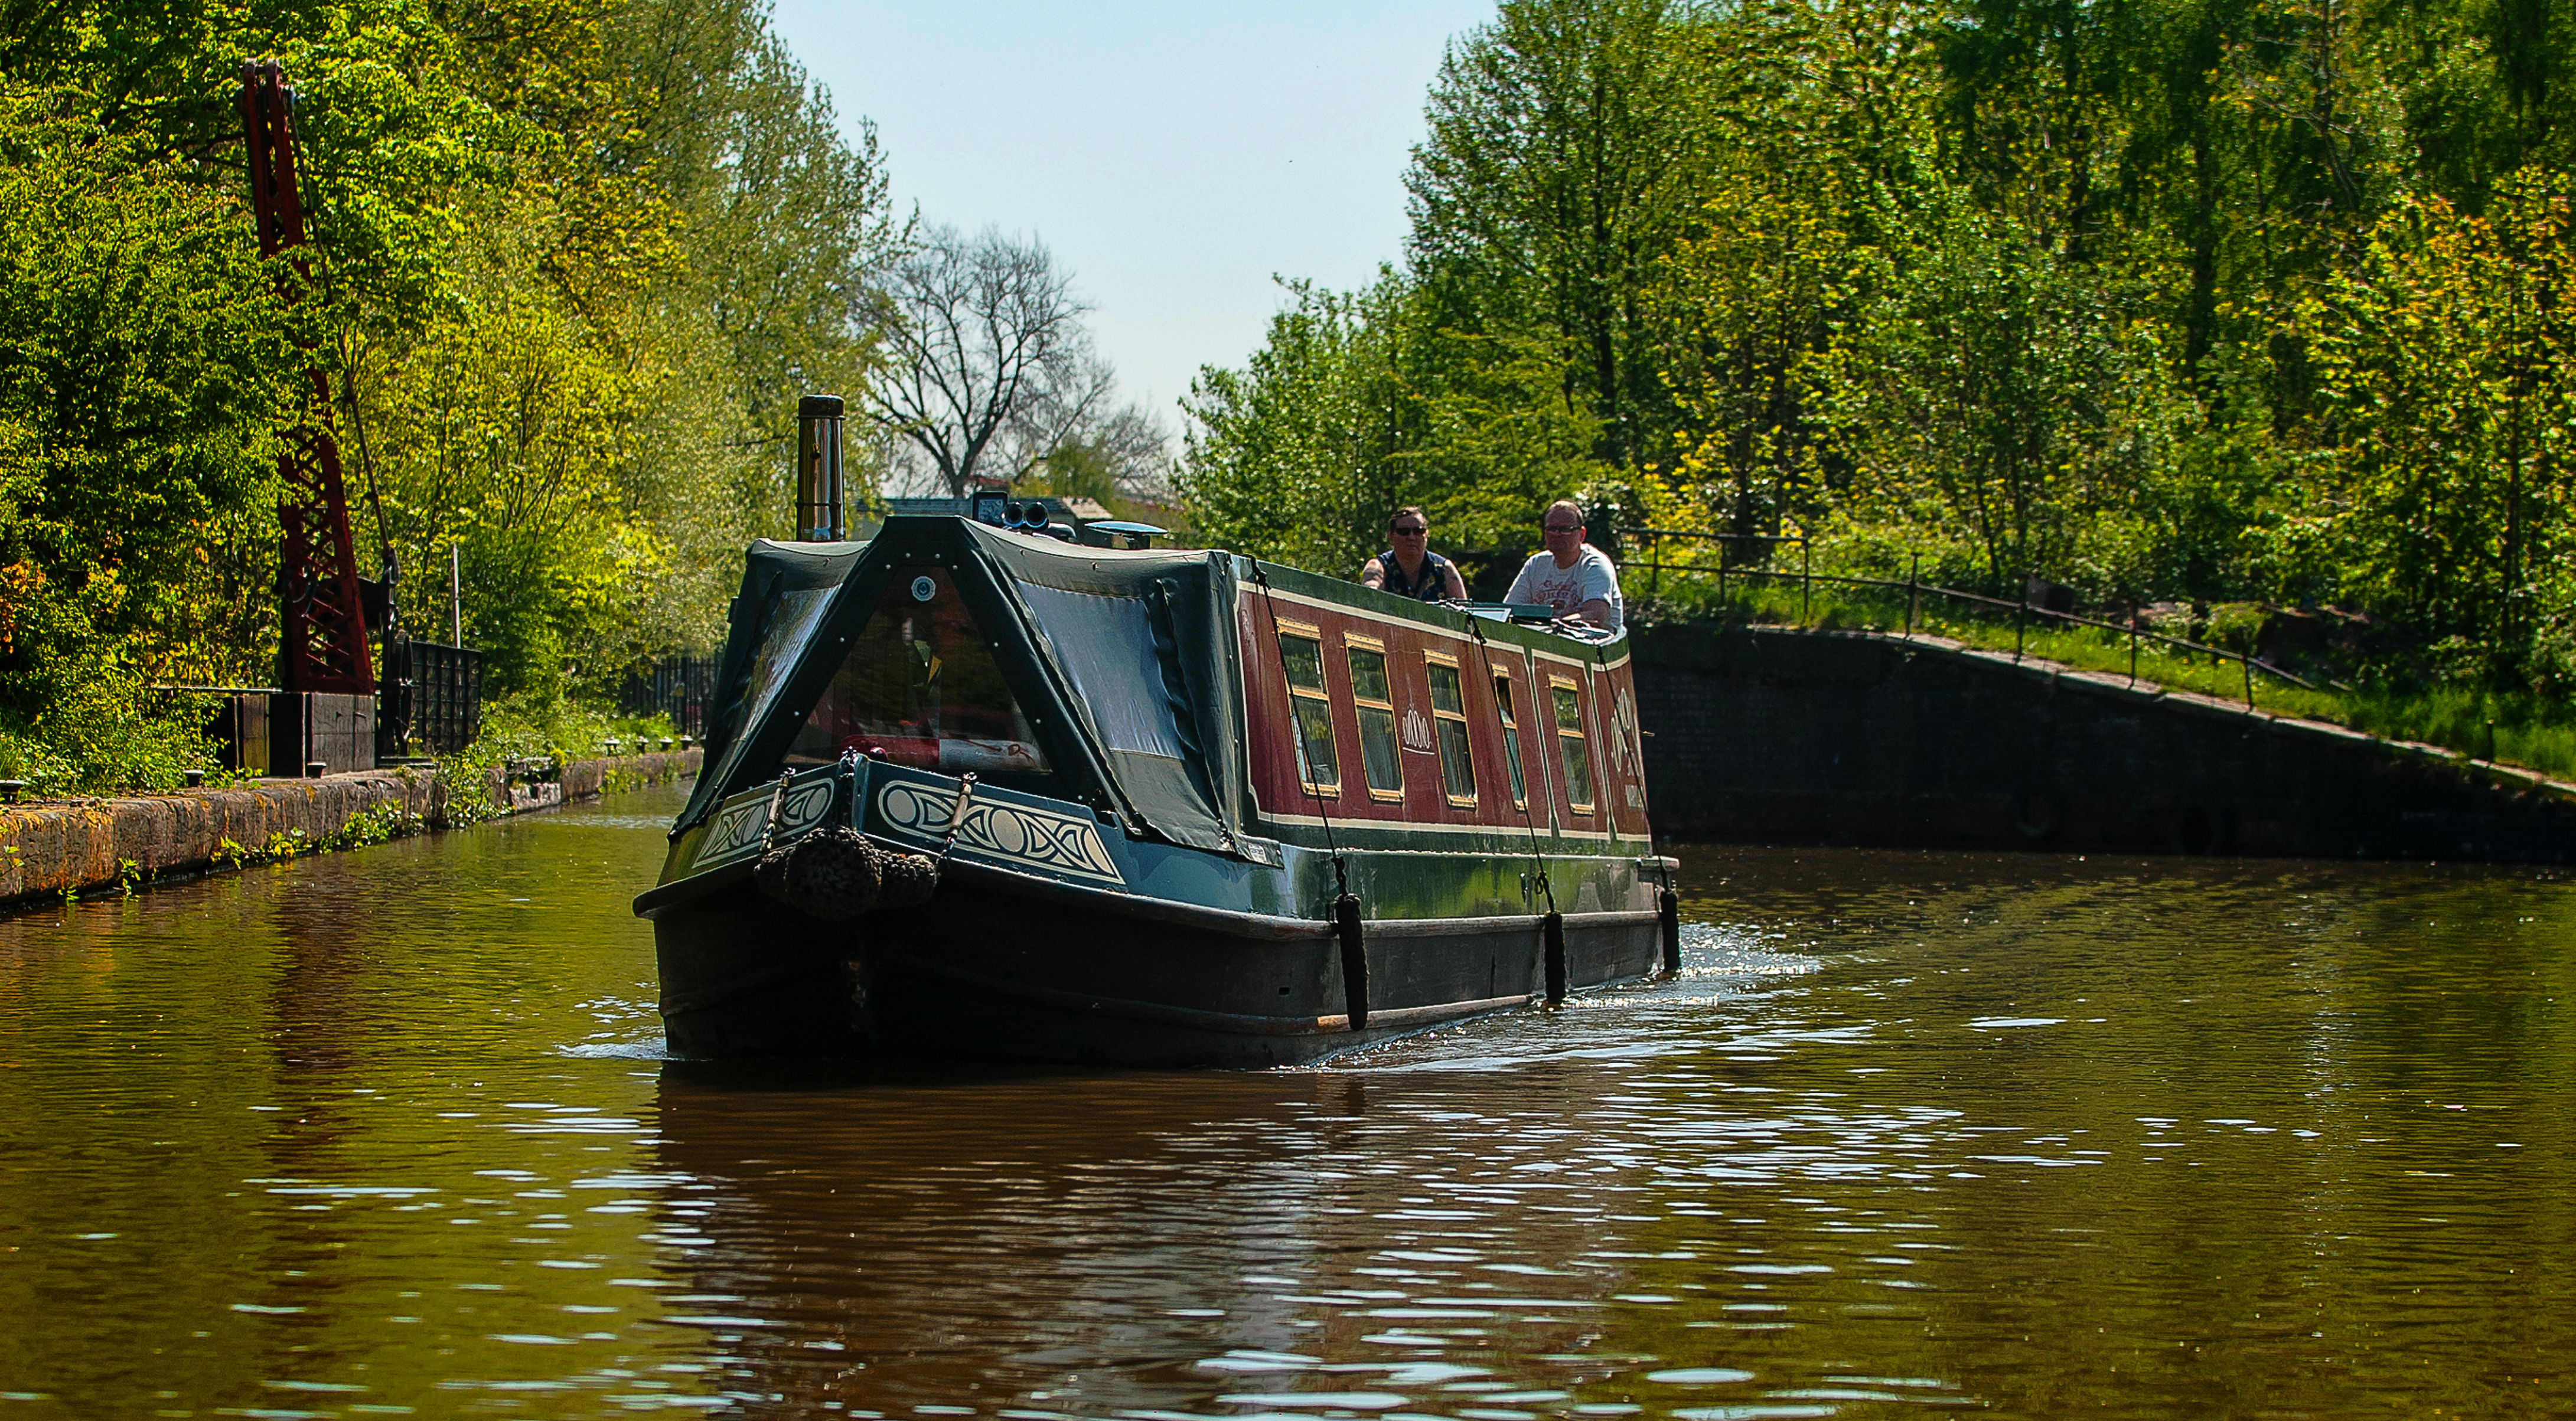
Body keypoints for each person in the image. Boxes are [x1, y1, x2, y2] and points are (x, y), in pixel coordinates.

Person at [1505, 499, 1623, 631]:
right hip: (1547, 643)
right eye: (1552, 529)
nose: (1556, 534)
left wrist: (1552, 624)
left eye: (1565, 529)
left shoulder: (1595, 565)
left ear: (1582, 534)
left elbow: (1595, 617)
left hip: (1592, 646)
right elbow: (1509, 611)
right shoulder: (1536, 565)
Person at [1359, 505, 1468, 602]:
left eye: (1418, 531)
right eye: (1404, 532)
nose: (1411, 537)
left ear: (1426, 535)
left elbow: (1464, 612)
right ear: (1391, 537)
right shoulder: (1379, 567)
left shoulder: (1444, 569)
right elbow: (1369, 599)